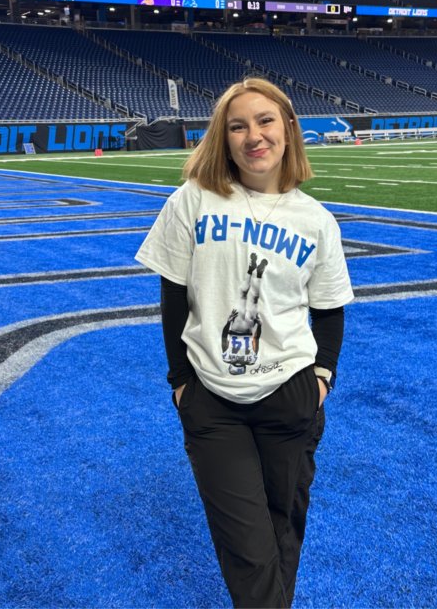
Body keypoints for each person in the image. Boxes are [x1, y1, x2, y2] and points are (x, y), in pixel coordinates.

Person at [135, 77, 354, 608]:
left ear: (288, 129)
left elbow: (328, 311)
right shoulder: (194, 200)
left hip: (290, 394)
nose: (253, 135)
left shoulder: (316, 220)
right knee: (248, 547)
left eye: (264, 121)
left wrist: (320, 379)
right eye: (237, 126)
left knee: (283, 533)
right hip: (214, 400)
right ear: (223, 138)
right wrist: (182, 384)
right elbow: (173, 297)